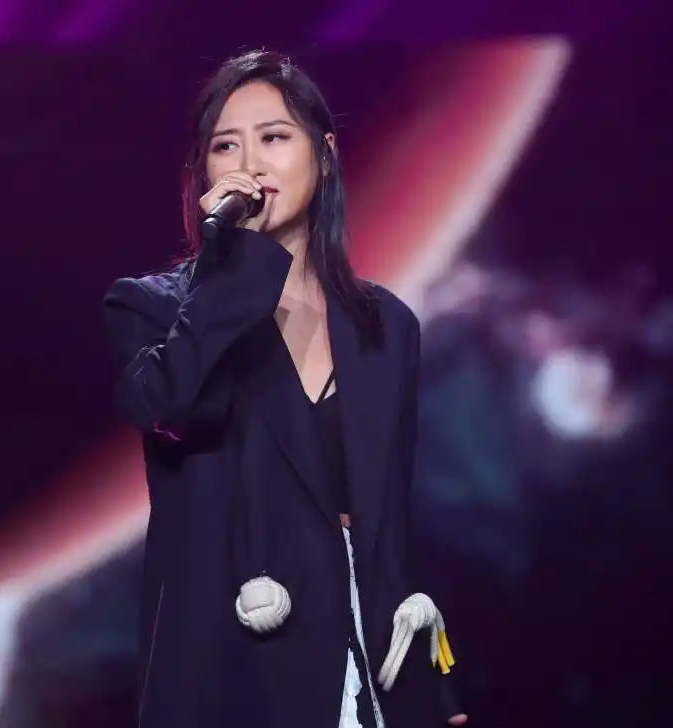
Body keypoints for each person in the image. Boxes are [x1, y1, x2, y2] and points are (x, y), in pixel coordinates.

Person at [102, 50, 467, 728]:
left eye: (274, 137)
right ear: (204, 175)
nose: (250, 164)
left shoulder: (384, 326)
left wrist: (425, 692)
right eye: (225, 146)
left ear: (324, 155)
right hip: (227, 676)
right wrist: (235, 267)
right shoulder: (151, 308)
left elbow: (387, 525)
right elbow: (169, 405)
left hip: (359, 669)